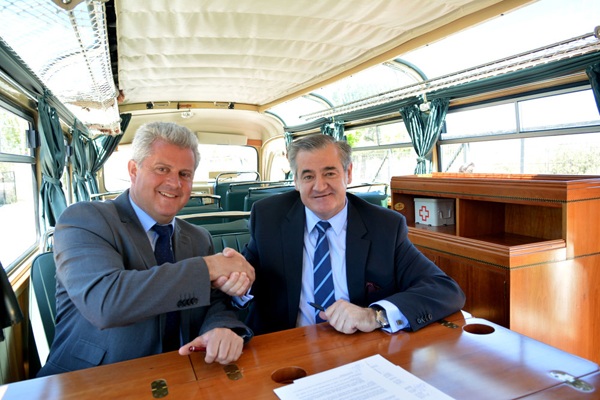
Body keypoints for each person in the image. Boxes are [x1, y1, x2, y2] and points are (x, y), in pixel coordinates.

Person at [38, 122, 255, 377]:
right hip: (91, 378)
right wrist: (209, 267)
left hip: (183, 371)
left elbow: (214, 302)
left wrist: (222, 328)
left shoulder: (199, 238)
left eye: (185, 174)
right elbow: (106, 303)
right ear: (133, 170)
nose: (174, 183)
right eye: (162, 169)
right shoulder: (85, 220)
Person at [242, 134, 465, 336]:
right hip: (286, 346)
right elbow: (244, 281)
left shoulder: (385, 226)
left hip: (359, 346)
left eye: (329, 173)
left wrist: (375, 315)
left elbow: (445, 290)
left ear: (348, 174)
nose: (319, 186)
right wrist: (237, 281)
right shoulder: (268, 218)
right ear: (296, 182)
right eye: (308, 176)